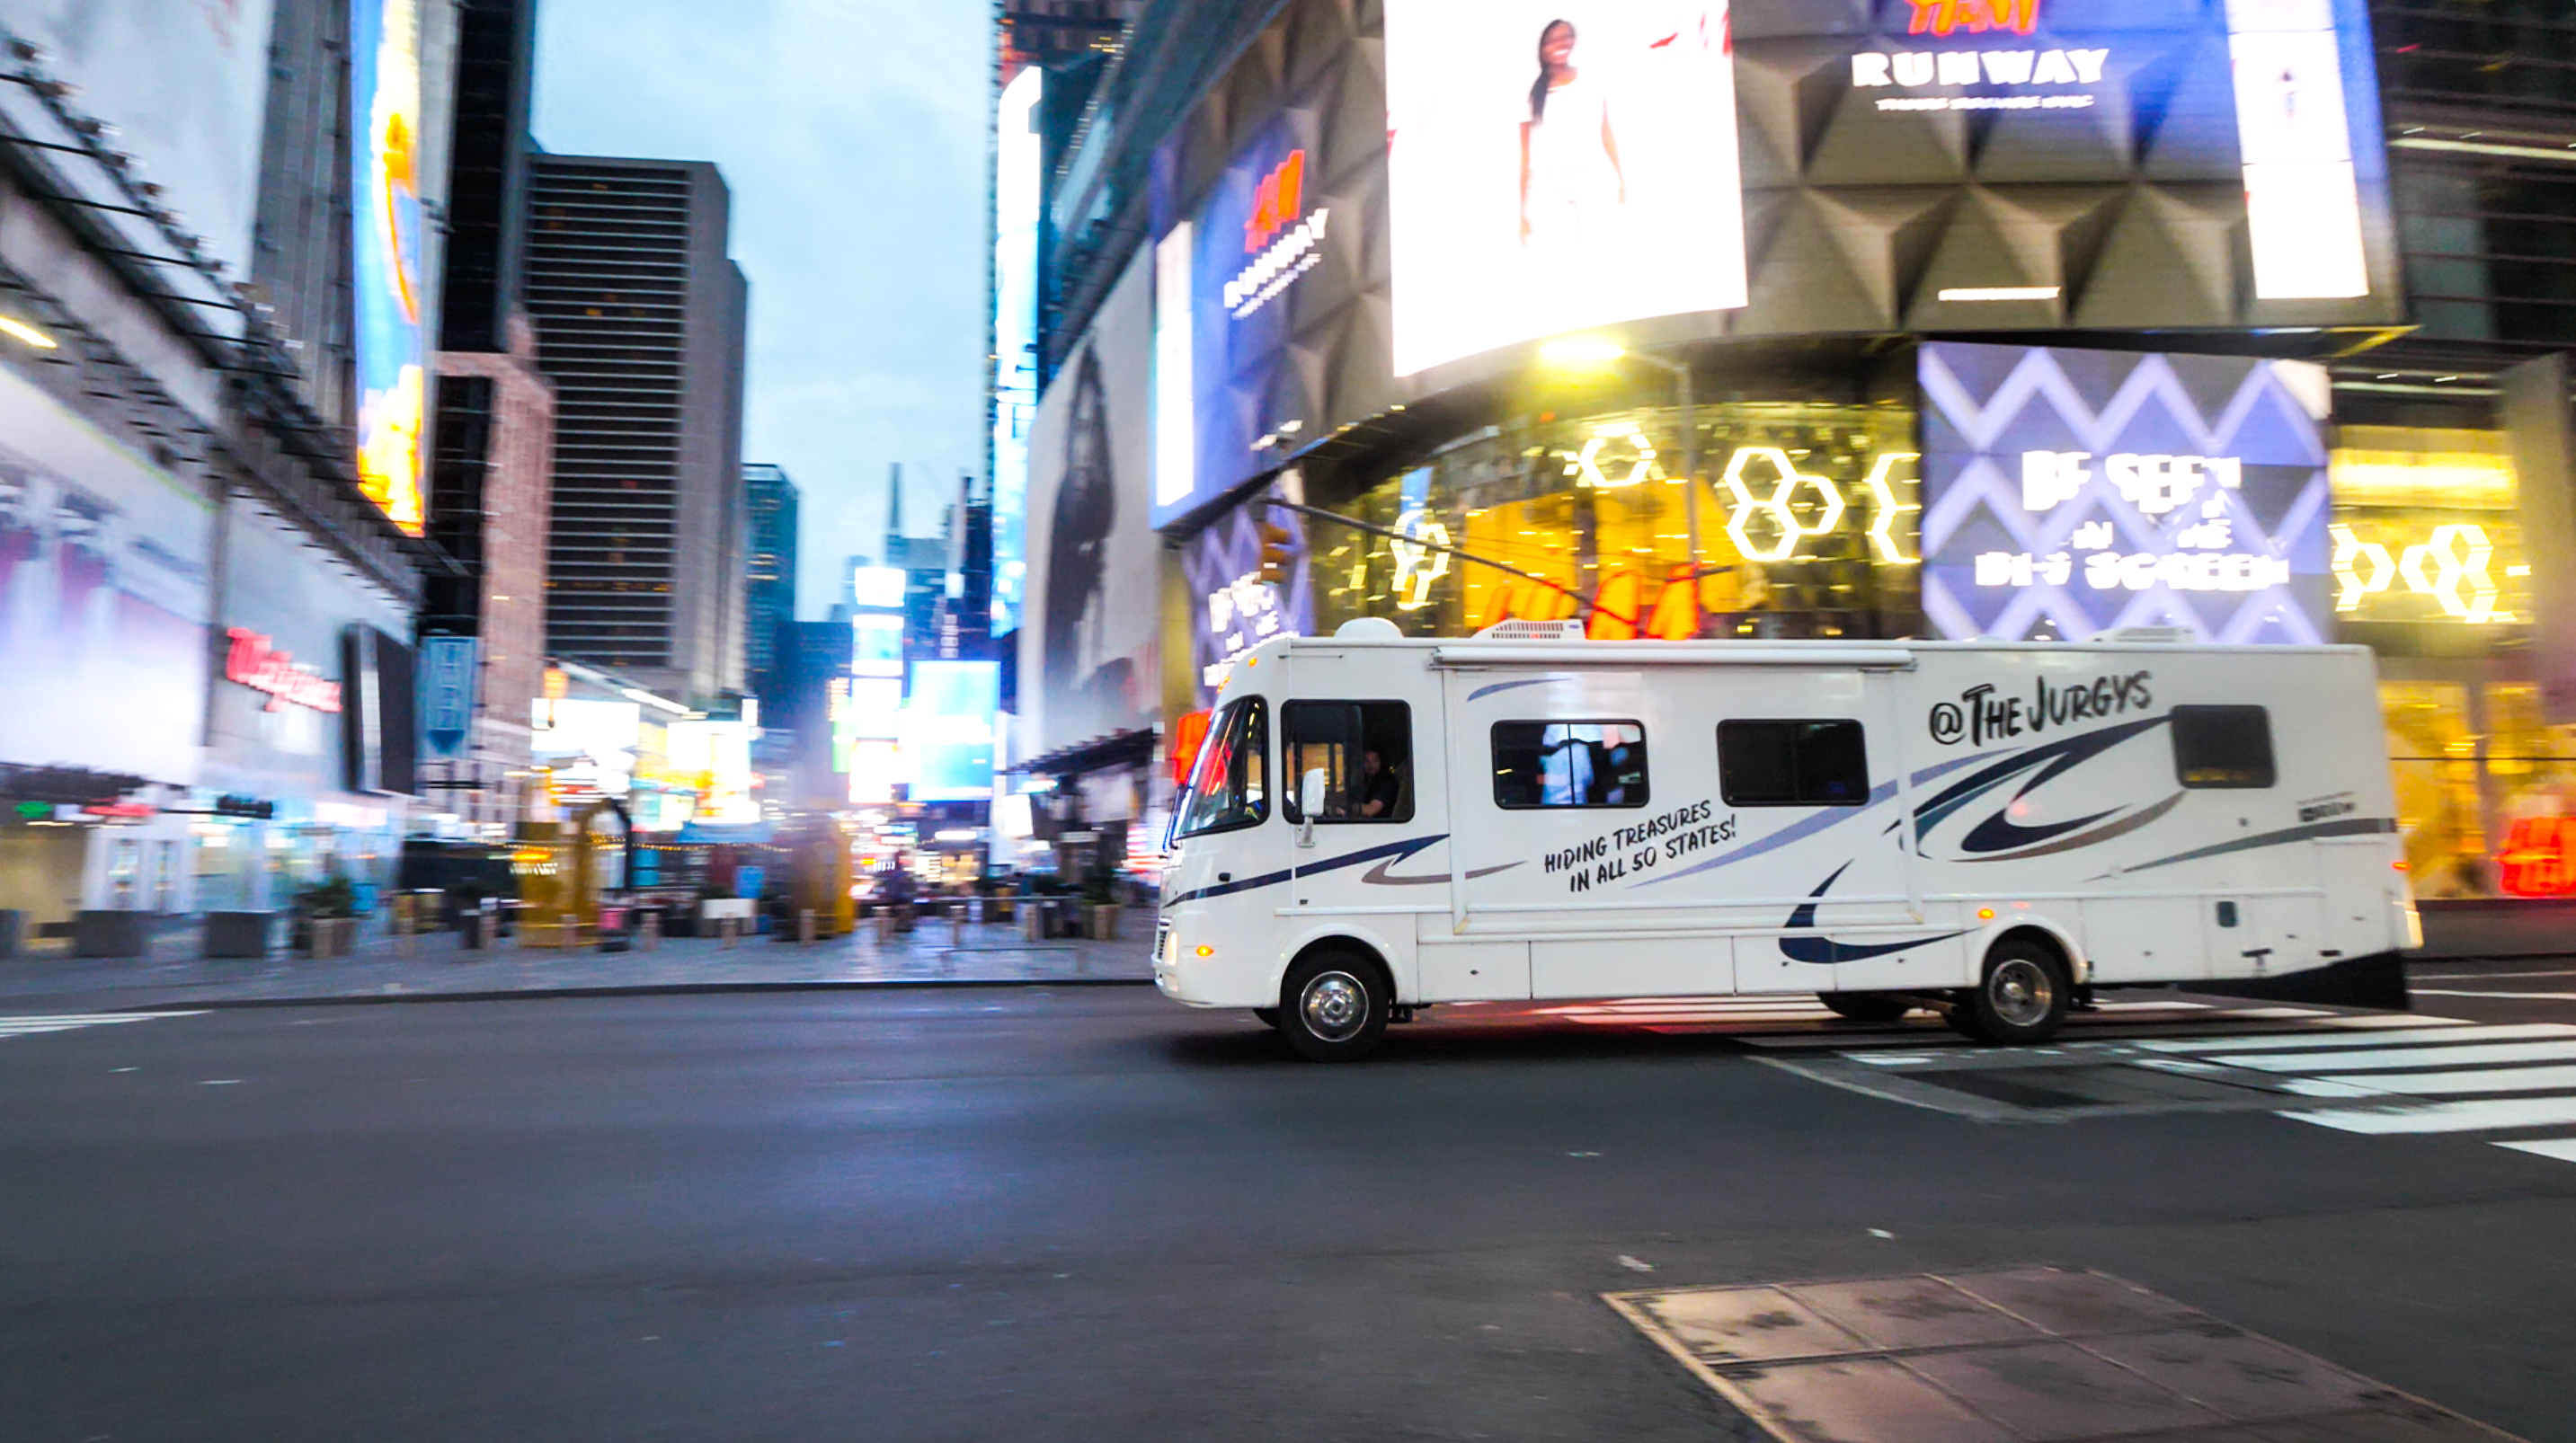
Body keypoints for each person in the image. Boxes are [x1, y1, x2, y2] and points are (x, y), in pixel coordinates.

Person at [1519, 19, 1626, 253]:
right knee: (1559, 255)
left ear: (1574, 41)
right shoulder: (1531, 90)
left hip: (1592, 184)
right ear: (1543, 47)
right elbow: (1524, 152)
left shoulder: (1592, 79)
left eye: (1566, 37)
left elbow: (1605, 132)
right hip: (1547, 190)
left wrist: (1622, 180)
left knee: (1602, 250)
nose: (1561, 44)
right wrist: (1520, 210)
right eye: (1553, 40)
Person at [1360, 748, 1405, 819]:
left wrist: (1349, 807)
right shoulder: (1365, 782)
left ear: (1382, 763)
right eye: (1367, 761)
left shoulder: (1389, 783)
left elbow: (1371, 810)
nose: (1370, 765)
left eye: (1375, 761)